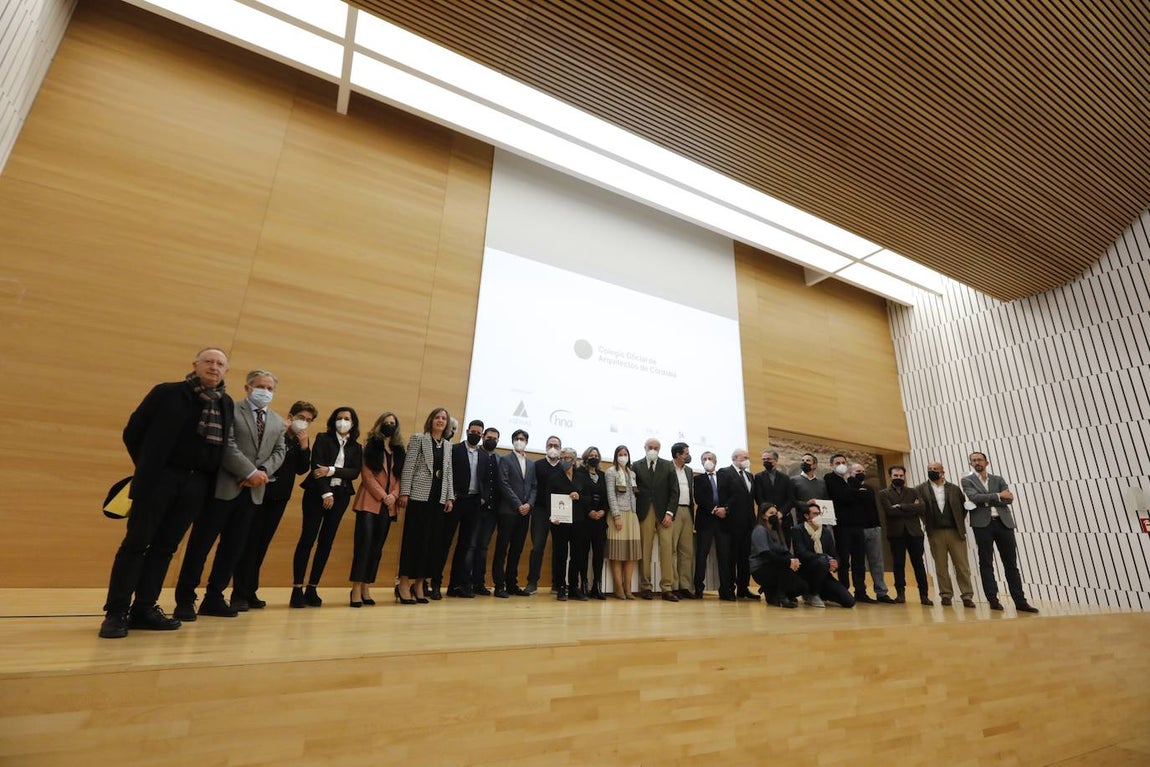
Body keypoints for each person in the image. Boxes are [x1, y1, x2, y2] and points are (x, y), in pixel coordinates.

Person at [99, 347, 234, 639]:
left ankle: (145, 608)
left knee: (165, 548)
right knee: (136, 544)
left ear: (226, 371)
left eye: (220, 363)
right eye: (208, 361)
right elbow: (133, 431)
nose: (214, 367)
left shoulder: (226, 403)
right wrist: (150, 467)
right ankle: (116, 612)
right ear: (195, 365)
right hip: (161, 479)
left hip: (197, 484)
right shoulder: (168, 393)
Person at [175, 369, 286, 621]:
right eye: (260, 386)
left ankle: (214, 597)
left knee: (232, 548)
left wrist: (262, 472)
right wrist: (248, 471)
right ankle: (185, 598)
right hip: (223, 487)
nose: (265, 392)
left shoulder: (278, 422)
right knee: (200, 545)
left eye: (270, 388)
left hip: (253, 493)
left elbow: (280, 451)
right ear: (247, 388)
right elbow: (227, 444)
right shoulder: (230, 409)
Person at [232, 400, 316, 611]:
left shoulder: (301, 442)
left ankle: (250, 591)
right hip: (260, 492)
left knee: (262, 545)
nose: (304, 423)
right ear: (291, 416)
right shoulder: (276, 430)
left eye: (308, 420)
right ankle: (238, 593)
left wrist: (305, 447)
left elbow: (301, 470)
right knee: (249, 544)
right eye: (301, 418)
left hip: (280, 498)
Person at [292, 406, 362, 608]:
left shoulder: (356, 447)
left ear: (353, 422)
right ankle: (297, 587)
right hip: (316, 494)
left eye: (347, 418)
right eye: (339, 418)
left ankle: (312, 587)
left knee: (326, 542)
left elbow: (353, 472)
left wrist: (331, 470)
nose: (343, 421)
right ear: (333, 421)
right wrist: (326, 492)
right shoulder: (323, 438)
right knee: (308, 538)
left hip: (341, 497)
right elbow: (316, 467)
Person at [961, 452, 1039, 613]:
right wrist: (998, 495)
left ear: (986, 462)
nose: (977, 462)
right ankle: (993, 599)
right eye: (973, 460)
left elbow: (1009, 499)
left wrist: (988, 498)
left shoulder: (998, 479)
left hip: (1004, 524)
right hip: (982, 525)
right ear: (971, 464)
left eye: (979, 459)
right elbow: (974, 498)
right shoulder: (967, 480)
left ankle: (1020, 601)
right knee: (986, 563)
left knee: (1011, 564)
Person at [396, 408, 456, 603]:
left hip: (438, 500)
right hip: (419, 497)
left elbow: (448, 473)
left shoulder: (448, 445)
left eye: (444, 418)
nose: (440, 421)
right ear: (431, 420)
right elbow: (409, 466)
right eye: (437, 417)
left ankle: (419, 584)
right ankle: (403, 582)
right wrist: (404, 492)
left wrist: (449, 497)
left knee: (430, 543)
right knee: (413, 541)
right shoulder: (418, 439)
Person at [348, 412, 405, 607]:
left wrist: (394, 496)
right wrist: (384, 496)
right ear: (379, 424)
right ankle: (355, 587)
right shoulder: (370, 446)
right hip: (370, 502)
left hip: (389, 506)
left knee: (376, 548)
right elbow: (367, 476)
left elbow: (399, 478)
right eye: (386, 422)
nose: (389, 425)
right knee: (363, 546)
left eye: (392, 423)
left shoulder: (398, 450)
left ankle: (366, 586)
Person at [434, 419, 486, 600]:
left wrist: (483, 497)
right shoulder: (454, 450)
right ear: (467, 431)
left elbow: (484, 479)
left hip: (473, 504)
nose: (476, 435)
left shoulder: (484, 456)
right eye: (473, 431)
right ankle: (435, 584)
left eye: (479, 433)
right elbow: (446, 474)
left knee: (465, 546)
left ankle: (455, 585)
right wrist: (451, 494)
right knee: (443, 542)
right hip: (455, 501)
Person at [917, 461, 975, 608]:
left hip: (955, 532)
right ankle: (946, 595)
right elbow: (920, 509)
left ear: (943, 472)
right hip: (935, 532)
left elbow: (963, 508)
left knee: (962, 566)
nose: (932, 471)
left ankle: (967, 595)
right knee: (941, 566)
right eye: (929, 469)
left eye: (935, 469)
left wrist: (958, 523)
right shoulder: (920, 489)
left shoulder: (954, 489)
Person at [632, 438, 679, 600]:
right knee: (645, 550)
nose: (653, 450)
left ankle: (667, 588)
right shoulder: (636, 465)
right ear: (644, 448)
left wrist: (670, 513)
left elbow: (675, 491)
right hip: (644, 512)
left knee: (667, 549)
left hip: (665, 513)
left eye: (656, 448)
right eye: (650, 447)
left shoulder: (668, 465)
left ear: (660, 449)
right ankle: (646, 586)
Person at [878, 465, 932, 605]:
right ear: (890, 476)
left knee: (919, 564)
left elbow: (922, 507)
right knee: (898, 564)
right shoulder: (884, 493)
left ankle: (924, 595)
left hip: (914, 533)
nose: (899, 478)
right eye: (896, 476)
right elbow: (890, 512)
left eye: (901, 476)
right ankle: (900, 594)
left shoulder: (913, 491)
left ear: (905, 476)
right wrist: (911, 507)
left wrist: (901, 506)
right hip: (896, 534)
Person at [493, 429, 536, 598]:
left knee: (517, 550)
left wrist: (529, 504)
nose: (520, 441)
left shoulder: (532, 463)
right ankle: (499, 585)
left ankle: (512, 583)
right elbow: (503, 484)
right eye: (517, 439)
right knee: (502, 548)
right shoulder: (505, 459)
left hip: (525, 514)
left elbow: (534, 487)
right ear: (512, 441)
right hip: (508, 512)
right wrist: (518, 504)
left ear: (526, 442)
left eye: (523, 439)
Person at [825, 454, 872, 602]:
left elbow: (865, 498)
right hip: (842, 526)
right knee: (844, 560)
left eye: (843, 462)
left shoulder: (851, 480)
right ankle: (844, 591)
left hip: (858, 525)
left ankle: (861, 591)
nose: (841, 464)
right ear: (832, 465)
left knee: (859, 560)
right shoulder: (829, 478)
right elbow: (841, 496)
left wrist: (854, 494)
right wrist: (856, 494)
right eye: (837, 462)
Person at [791, 501, 855, 607]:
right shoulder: (798, 530)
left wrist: (835, 563)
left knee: (849, 602)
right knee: (822, 561)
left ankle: (822, 592)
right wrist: (826, 558)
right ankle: (811, 593)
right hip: (806, 570)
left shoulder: (826, 532)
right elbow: (802, 553)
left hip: (824, 571)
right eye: (815, 514)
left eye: (819, 513)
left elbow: (833, 553)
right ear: (807, 516)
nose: (818, 516)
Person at [463, 426, 502, 596]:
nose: (491, 440)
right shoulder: (476, 454)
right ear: (483, 437)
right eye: (488, 437)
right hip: (475, 508)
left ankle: (479, 582)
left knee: (483, 547)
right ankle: (465, 582)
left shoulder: (501, 459)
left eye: (495, 438)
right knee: (470, 546)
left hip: (493, 510)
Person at [715, 448, 758, 600]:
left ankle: (743, 588)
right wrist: (726, 509)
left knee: (745, 558)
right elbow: (722, 495)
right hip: (731, 523)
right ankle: (727, 590)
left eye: (748, 457)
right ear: (735, 458)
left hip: (748, 524)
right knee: (730, 558)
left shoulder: (749, 475)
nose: (747, 459)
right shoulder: (724, 472)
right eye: (744, 457)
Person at [693, 451, 733, 600]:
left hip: (724, 521)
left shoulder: (725, 477)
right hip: (705, 521)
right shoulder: (698, 480)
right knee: (701, 555)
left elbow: (732, 496)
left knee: (724, 556)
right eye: (704, 459)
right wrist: (715, 510)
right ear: (701, 462)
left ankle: (726, 590)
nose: (707, 461)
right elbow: (699, 499)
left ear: (715, 462)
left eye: (710, 459)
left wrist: (726, 509)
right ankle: (698, 588)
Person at [749, 504, 807, 608]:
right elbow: (765, 554)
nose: (774, 516)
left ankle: (772, 592)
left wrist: (794, 561)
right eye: (771, 513)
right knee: (785, 568)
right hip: (761, 568)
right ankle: (782, 597)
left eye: (776, 513)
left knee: (803, 586)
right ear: (763, 516)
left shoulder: (777, 531)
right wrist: (788, 562)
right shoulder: (760, 530)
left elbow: (785, 552)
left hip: (775, 566)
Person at [853, 462, 895, 603]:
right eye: (858, 471)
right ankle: (860, 591)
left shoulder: (869, 489)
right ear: (851, 473)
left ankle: (881, 592)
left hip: (874, 528)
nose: (861, 473)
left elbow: (868, 502)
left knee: (877, 562)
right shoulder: (848, 488)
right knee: (859, 563)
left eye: (863, 471)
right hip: (857, 529)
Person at [527, 435, 564, 594]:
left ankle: (557, 584)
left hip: (560, 512)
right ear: (546, 447)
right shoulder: (537, 465)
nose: (553, 448)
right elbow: (531, 487)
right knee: (537, 547)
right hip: (540, 511)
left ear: (560, 449)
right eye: (550, 445)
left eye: (556, 445)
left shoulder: (564, 467)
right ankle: (532, 583)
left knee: (559, 548)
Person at [571, 446, 608, 599]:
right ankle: (583, 584)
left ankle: (597, 586)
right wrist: (589, 511)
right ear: (586, 458)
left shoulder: (603, 475)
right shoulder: (579, 473)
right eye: (591, 455)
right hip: (584, 520)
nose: (594, 457)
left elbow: (606, 497)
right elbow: (579, 494)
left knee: (599, 554)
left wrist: (603, 511)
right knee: (583, 554)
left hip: (600, 520)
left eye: (596, 455)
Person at [604, 445, 641, 599]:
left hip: (632, 515)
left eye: (625, 454)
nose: (623, 457)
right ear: (616, 456)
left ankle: (628, 588)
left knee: (631, 553)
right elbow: (611, 495)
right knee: (617, 553)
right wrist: (616, 516)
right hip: (617, 515)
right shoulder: (611, 472)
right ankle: (618, 588)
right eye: (620, 454)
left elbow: (635, 494)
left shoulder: (632, 473)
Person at [549, 448, 579, 600]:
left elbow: (586, 495)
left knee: (576, 555)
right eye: (562, 458)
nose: (564, 461)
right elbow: (549, 498)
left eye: (567, 458)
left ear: (574, 461)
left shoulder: (581, 476)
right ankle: (560, 586)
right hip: (560, 522)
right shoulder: (554, 476)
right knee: (560, 555)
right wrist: (552, 516)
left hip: (578, 522)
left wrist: (578, 495)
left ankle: (573, 587)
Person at [669, 442, 696, 599]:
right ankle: (674, 585)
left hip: (687, 511)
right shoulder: (667, 467)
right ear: (678, 455)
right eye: (686, 453)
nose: (688, 455)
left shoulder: (689, 470)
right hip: (674, 511)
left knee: (687, 551)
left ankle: (685, 586)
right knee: (672, 550)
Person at [753, 449, 797, 539]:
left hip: (783, 519)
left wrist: (781, 513)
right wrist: (769, 512)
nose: (766, 461)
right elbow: (759, 498)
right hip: (766, 519)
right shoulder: (758, 477)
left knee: (785, 546)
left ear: (776, 460)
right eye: (764, 459)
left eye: (768, 459)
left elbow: (791, 499)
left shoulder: (785, 478)